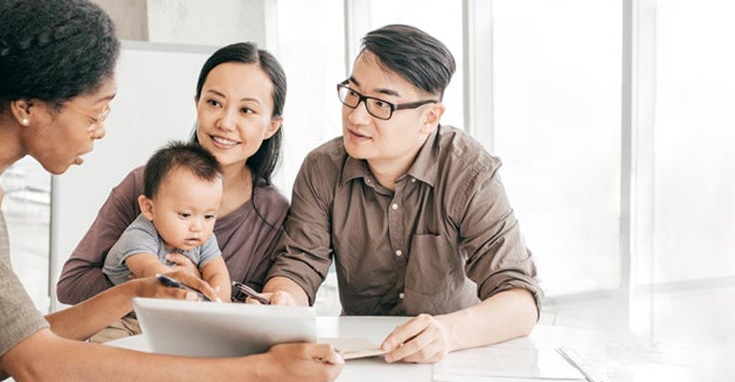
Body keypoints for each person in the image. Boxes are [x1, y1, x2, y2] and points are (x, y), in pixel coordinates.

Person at [0, 1, 341, 382]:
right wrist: (259, 373)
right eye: (95, 113)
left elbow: (16, 342)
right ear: (28, 106)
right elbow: (40, 369)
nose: (100, 133)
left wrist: (134, 292)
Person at [260, 24, 542, 364]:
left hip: (454, 357)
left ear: (430, 117)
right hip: (362, 360)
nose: (356, 115)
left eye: (381, 104)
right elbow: (298, 266)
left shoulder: (468, 171)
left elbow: (520, 301)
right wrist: (282, 300)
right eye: (353, 93)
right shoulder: (322, 169)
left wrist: (447, 333)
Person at [58, 42, 289, 308]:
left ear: (272, 125)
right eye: (214, 102)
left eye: (246, 110)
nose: (225, 123)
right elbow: (71, 285)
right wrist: (154, 288)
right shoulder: (143, 184)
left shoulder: (274, 214)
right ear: (197, 104)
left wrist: (198, 283)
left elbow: (256, 313)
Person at [102, 141, 231, 302]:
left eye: (209, 216)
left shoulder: (205, 238)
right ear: (149, 208)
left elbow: (218, 273)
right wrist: (192, 287)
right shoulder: (139, 235)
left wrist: (217, 297)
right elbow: (150, 270)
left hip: (169, 315)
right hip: (125, 317)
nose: (198, 227)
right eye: (185, 215)